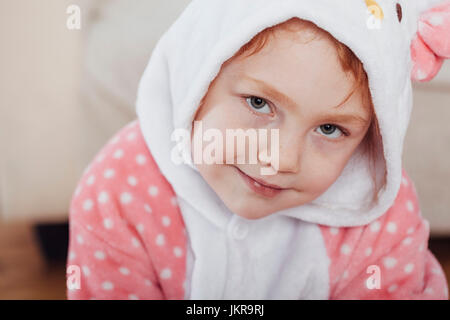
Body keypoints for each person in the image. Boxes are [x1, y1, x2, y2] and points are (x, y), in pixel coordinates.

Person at [66, 0, 450, 299]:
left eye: (330, 129)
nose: (280, 159)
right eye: (258, 103)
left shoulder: (381, 216)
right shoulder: (120, 190)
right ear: (197, 77)